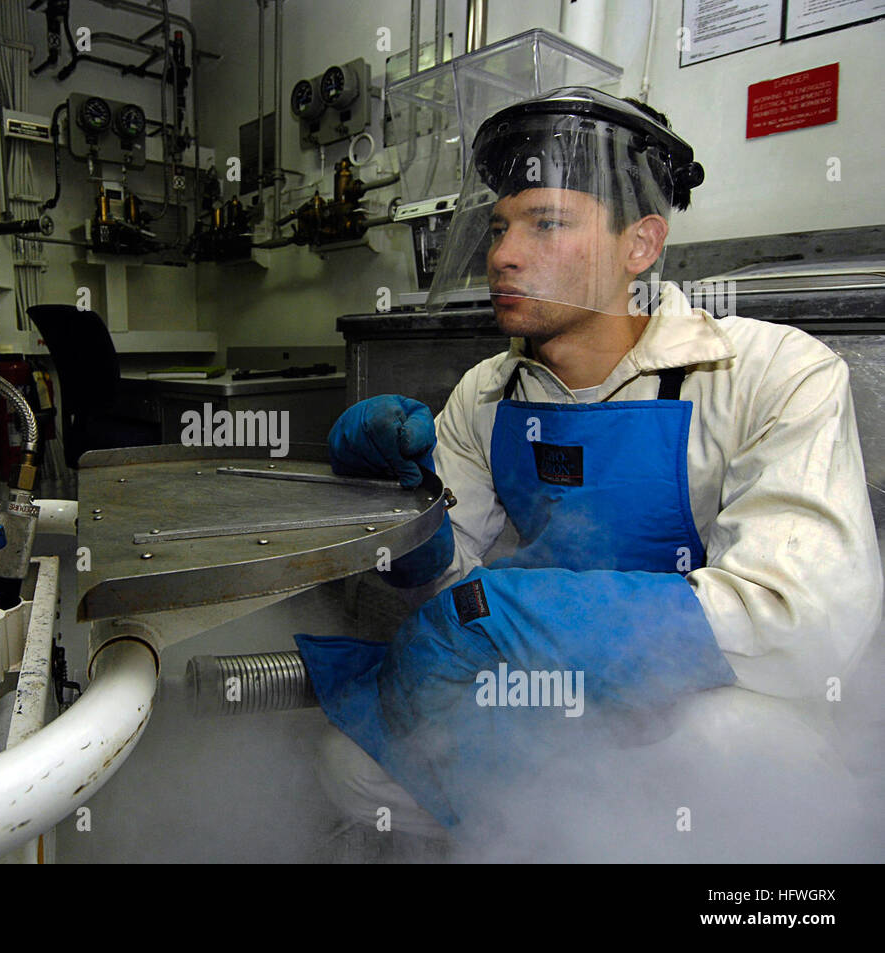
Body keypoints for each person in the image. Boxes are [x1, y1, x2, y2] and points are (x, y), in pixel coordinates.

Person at [294, 87, 883, 852]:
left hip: (699, 700)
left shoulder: (772, 372)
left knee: (724, 739)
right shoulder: (489, 390)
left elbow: (802, 623)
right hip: (556, 703)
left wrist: (509, 614)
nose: (502, 253)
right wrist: (401, 515)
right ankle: (544, 834)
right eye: (501, 226)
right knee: (351, 767)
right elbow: (448, 595)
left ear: (638, 245)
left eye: (546, 223)